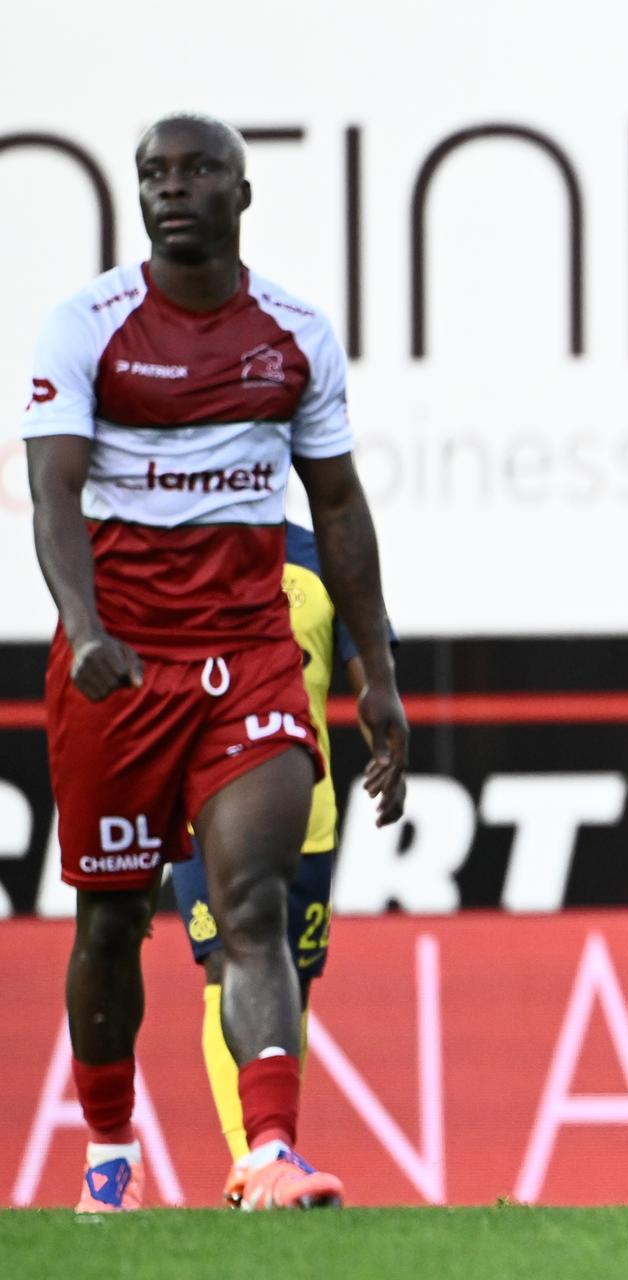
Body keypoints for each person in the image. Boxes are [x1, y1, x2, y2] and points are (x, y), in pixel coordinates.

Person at [23, 113, 407, 1213]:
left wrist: (376, 673)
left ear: (242, 195)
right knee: (110, 918)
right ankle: (108, 1154)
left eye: (197, 173)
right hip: (122, 667)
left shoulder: (293, 333)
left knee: (255, 908)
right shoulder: (84, 325)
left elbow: (338, 510)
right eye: (153, 174)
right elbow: (51, 494)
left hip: (249, 653)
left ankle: (272, 1150)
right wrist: (86, 624)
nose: (171, 189)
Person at [170, 522, 401, 1205]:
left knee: (288, 977)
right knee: (227, 963)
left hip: (307, 809)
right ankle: (257, 1161)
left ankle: (272, 1157)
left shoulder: (320, 555)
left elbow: (367, 665)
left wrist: (385, 741)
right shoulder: (176, 550)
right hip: (205, 800)